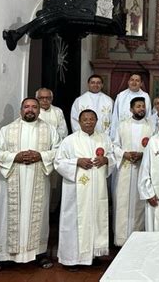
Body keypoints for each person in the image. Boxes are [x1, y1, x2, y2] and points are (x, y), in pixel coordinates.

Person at [0, 98, 59, 275]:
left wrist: (40, 155)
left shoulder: (49, 130)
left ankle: (39, 254)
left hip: (37, 180)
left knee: (38, 218)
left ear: (39, 111)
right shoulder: (7, 130)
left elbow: (58, 151)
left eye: (34, 107)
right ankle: (3, 258)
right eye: (27, 107)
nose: (30, 110)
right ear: (21, 110)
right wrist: (14, 158)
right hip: (13, 180)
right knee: (8, 218)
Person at [54, 109, 116, 270]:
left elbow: (113, 158)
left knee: (95, 219)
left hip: (97, 190)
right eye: (85, 119)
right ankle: (71, 259)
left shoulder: (104, 138)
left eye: (91, 119)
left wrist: (106, 160)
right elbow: (58, 162)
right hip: (75, 191)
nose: (88, 122)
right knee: (74, 222)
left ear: (96, 121)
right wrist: (76, 162)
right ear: (79, 122)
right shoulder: (69, 141)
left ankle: (92, 255)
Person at [112, 97, 154, 247]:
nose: (141, 109)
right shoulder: (123, 126)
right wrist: (125, 154)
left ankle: (138, 240)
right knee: (122, 203)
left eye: (143, 106)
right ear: (131, 109)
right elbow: (114, 145)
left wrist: (143, 154)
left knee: (139, 204)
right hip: (125, 169)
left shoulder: (151, 127)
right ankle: (121, 240)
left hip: (142, 169)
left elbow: (155, 147)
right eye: (138, 106)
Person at [111, 73, 151, 139]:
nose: (134, 82)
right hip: (123, 131)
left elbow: (148, 116)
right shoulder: (121, 96)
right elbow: (115, 116)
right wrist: (113, 135)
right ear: (128, 82)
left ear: (141, 83)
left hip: (141, 130)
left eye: (137, 80)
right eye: (132, 80)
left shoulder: (145, 96)